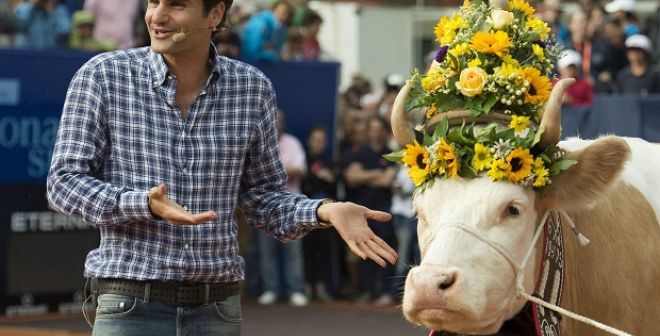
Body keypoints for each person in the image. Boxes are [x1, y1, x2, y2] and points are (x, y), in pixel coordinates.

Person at [46, 0, 397, 334]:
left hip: (216, 309)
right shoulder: (103, 76)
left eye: (176, 5)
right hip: (129, 304)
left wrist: (324, 211)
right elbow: (63, 183)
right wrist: (143, 204)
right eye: (154, 3)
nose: (157, 16)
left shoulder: (252, 88)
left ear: (214, 14)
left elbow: (264, 199)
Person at [253, 110, 309, 307]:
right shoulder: (259, 143)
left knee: (293, 251)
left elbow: (300, 170)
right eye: (272, 121)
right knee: (266, 251)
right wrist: (285, 171)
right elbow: (253, 175)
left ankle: (295, 290)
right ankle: (271, 289)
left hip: (292, 206)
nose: (275, 125)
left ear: (283, 124)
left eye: (279, 122)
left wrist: (272, 174)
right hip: (265, 206)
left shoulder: (293, 143)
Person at [343, 116, 397, 304]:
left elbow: (387, 180)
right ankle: (365, 290)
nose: (376, 132)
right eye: (372, 128)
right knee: (364, 251)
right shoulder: (359, 152)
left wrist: (364, 176)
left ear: (384, 131)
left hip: (384, 211)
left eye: (379, 128)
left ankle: (382, 291)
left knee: (383, 249)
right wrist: (377, 174)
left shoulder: (390, 153)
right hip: (360, 212)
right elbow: (351, 178)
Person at [301, 125, 339, 301]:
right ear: (309, 141)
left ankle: (322, 288)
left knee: (324, 252)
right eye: (315, 140)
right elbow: (303, 183)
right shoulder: (303, 160)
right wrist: (319, 177)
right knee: (307, 252)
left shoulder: (330, 162)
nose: (318, 144)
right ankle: (307, 288)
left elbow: (334, 185)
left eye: (322, 140)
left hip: (327, 216)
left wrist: (328, 178)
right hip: (305, 214)